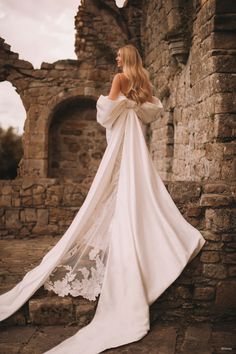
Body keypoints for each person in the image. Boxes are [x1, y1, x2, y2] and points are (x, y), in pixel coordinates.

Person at [0, 44, 206, 353]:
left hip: (123, 140)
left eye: (119, 56)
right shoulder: (145, 79)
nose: (116, 59)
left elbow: (106, 114)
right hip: (135, 140)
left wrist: (119, 102)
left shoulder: (120, 78)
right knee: (137, 188)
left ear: (126, 59)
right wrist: (132, 105)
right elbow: (152, 111)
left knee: (116, 189)